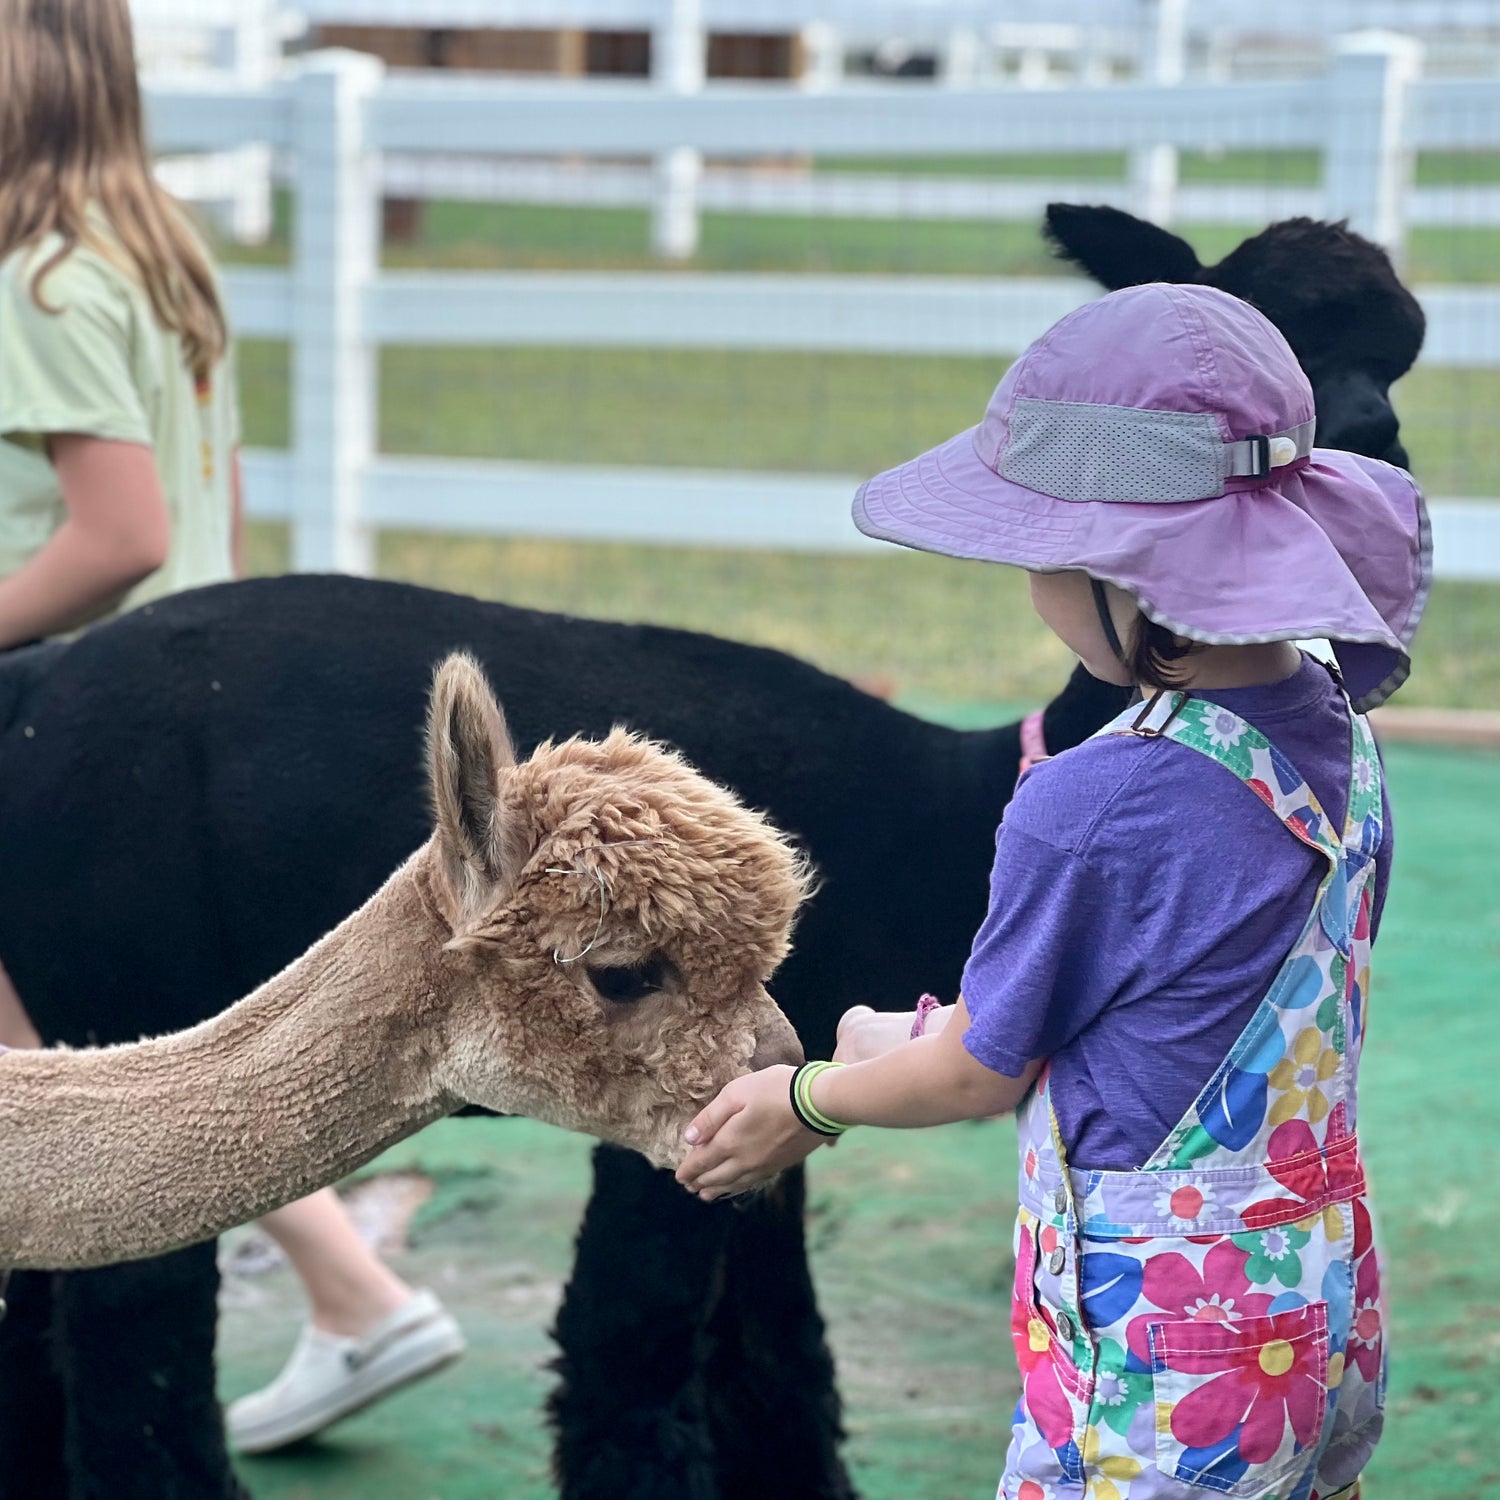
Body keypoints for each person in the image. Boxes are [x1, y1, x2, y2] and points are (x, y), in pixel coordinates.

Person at [676, 283, 1428, 1500]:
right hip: (1317, 1311)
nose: (1029, 584)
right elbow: (1191, 1007)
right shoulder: (1339, 734)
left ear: (1126, 569)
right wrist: (913, 1039)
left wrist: (813, 1097)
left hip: (1169, 1360)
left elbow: (984, 1072)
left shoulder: (1097, 798)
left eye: (1040, 552)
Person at [0, 0, 463, 1453]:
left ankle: (336, 1287)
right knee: (157, 1053)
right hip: (164, 715)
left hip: (60, 713)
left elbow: (120, 531)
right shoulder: (155, 250)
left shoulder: (41, 272)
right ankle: (349, 1289)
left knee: (67, 1061)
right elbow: (221, 503)